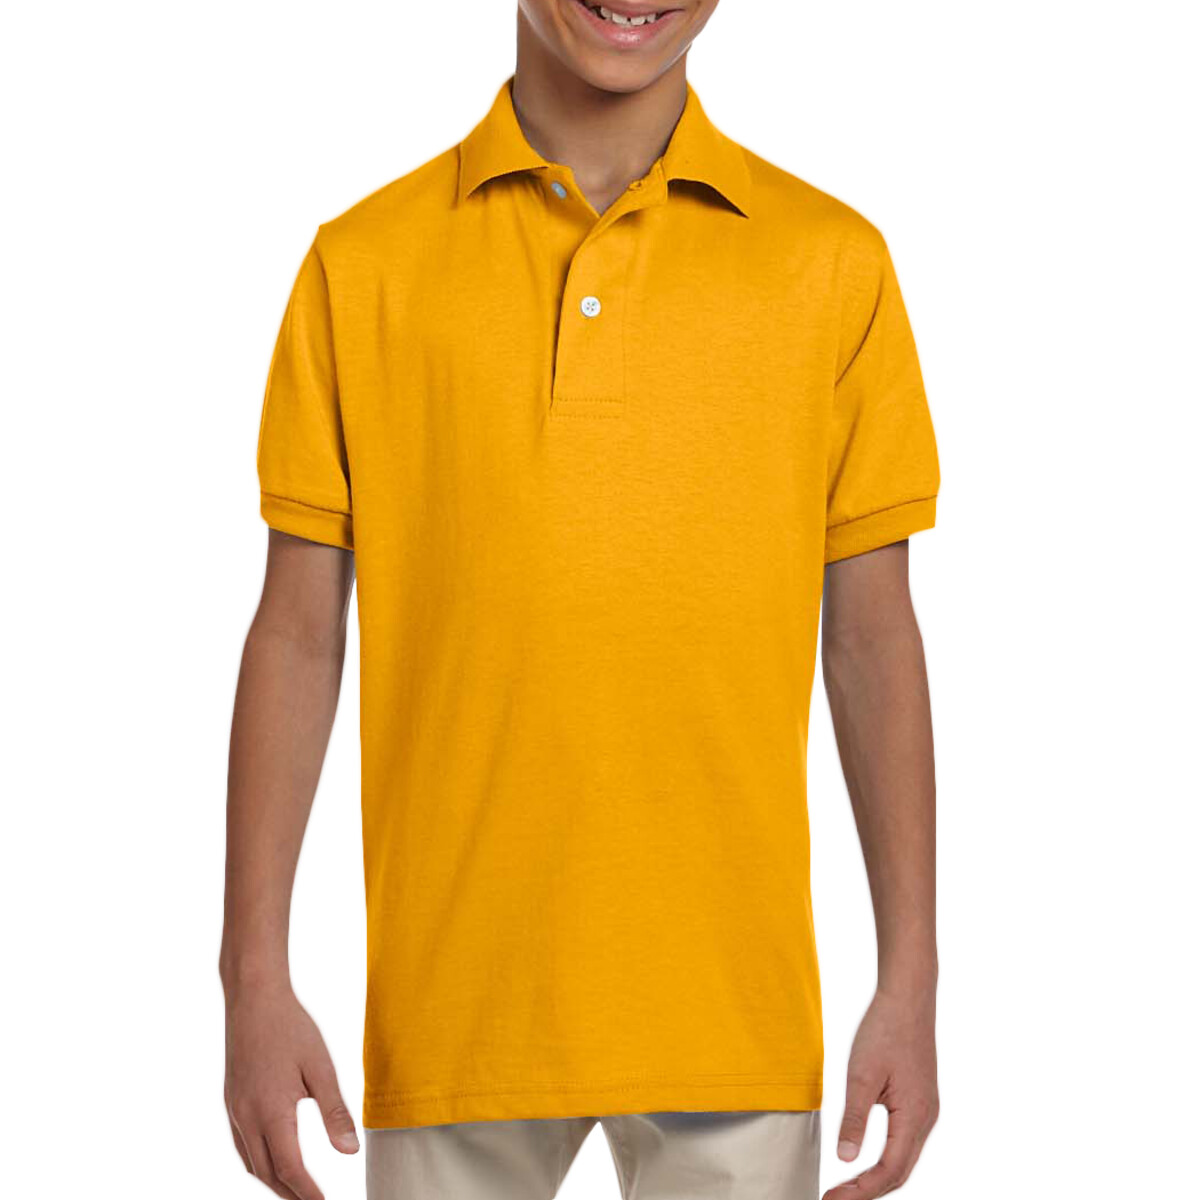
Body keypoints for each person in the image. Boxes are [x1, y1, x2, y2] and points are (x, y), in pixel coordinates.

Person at [221, 1, 941, 1197]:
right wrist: (253, 978)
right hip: (458, 1013)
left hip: (735, 1014)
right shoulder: (364, 264)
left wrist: (910, 980)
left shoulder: (832, 264)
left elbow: (872, 638)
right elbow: (297, 634)